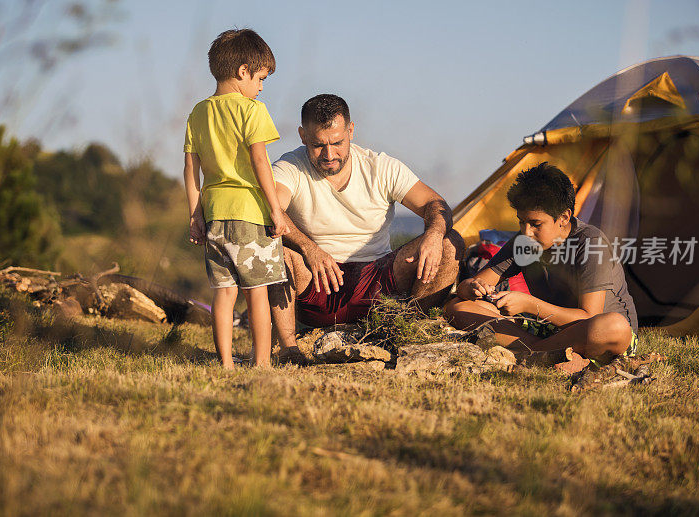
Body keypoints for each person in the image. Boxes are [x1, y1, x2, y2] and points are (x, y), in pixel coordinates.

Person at [269, 94, 465, 363]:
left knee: (448, 240)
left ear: (351, 130)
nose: (329, 154)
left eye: (337, 143)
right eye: (318, 145)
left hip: (378, 278)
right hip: (315, 281)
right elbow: (272, 211)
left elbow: (434, 202)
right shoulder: (288, 166)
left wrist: (433, 234)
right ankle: (289, 349)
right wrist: (310, 249)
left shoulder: (381, 166)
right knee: (271, 246)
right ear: (302, 135)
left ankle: (408, 331)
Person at [444, 162, 638, 365]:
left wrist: (530, 304)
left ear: (563, 217)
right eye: (521, 222)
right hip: (549, 329)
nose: (527, 232)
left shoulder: (591, 243)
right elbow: (466, 290)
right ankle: (541, 353)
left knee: (613, 326)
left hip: (596, 333)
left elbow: (589, 317)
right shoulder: (524, 243)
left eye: (536, 224)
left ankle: (531, 352)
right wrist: (472, 288)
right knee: (458, 307)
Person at [183, 29, 290, 369]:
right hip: (249, 213)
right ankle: (261, 363)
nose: (260, 87)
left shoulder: (198, 113)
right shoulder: (253, 110)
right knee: (257, 291)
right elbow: (260, 162)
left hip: (215, 215)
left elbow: (190, 171)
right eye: (261, 78)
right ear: (243, 71)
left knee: (224, 293)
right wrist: (276, 209)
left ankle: (226, 363)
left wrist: (195, 216)